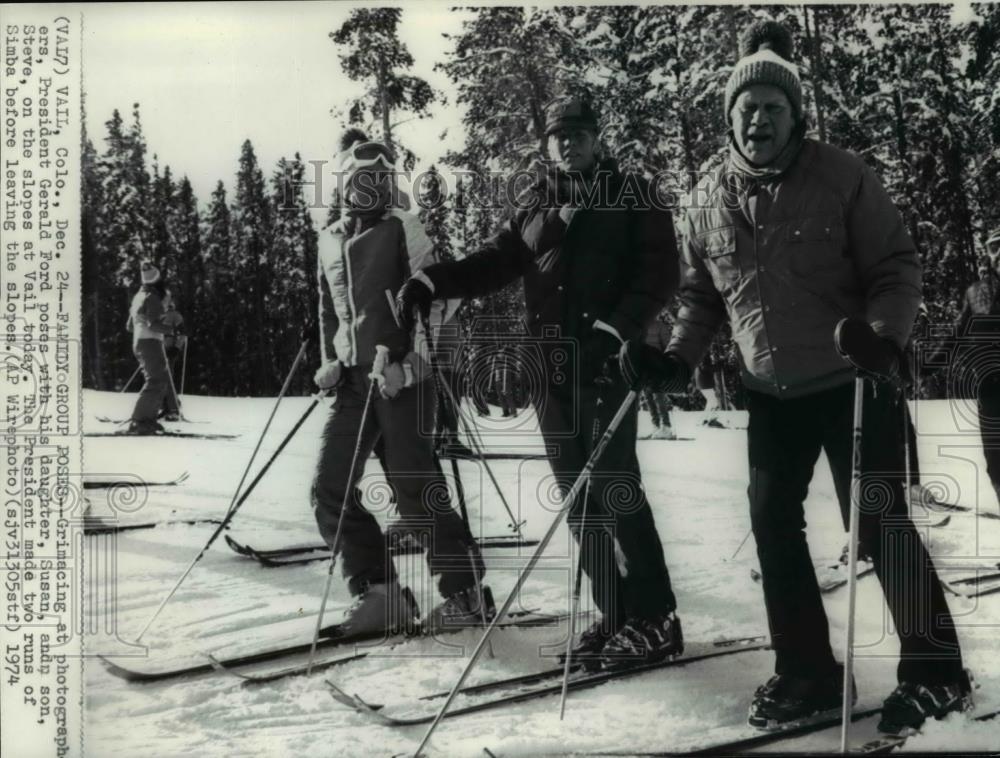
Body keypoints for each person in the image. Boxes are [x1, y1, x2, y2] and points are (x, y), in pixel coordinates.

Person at [617, 20, 968, 734]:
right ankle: (806, 669)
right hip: (770, 393)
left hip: (855, 381)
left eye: (773, 107)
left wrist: (884, 339)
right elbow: (703, 299)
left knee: (880, 526)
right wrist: (675, 359)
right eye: (746, 109)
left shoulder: (842, 176)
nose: (758, 118)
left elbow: (895, 268)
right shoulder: (706, 195)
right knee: (773, 528)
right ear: (730, 119)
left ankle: (937, 673)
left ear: (795, 114)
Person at [397, 96, 683, 669]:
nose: (568, 143)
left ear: (597, 138)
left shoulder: (633, 196)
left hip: (607, 364)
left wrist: (616, 329)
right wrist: (432, 280)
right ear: (546, 144)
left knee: (617, 491)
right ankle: (617, 614)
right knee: (579, 502)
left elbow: (660, 273)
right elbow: (491, 262)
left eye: (578, 133)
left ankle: (656, 620)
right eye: (558, 135)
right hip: (551, 375)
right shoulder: (534, 206)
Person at [311, 131, 487, 638]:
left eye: (381, 178)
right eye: (361, 179)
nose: (371, 187)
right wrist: (331, 360)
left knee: (415, 489)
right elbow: (331, 310)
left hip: (402, 380)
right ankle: (380, 594)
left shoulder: (403, 228)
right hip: (353, 384)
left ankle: (465, 593)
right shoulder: (330, 239)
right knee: (329, 486)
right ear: (344, 186)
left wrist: (410, 366)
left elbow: (437, 301)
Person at [928, 233, 1000, 511]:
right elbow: (957, 335)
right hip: (989, 388)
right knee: (995, 464)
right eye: (995, 248)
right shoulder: (977, 293)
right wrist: (924, 367)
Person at [126, 262, 173, 435]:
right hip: (150, 341)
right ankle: (139, 421)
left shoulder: (139, 296)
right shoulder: (152, 297)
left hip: (139, 341)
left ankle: (148, 419)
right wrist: (172, 330)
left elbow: (129, 326)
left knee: (157, 380)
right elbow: (154, 325)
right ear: (158, 279)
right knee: (156, 381)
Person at [640, 317, 676, 440]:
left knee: (656, 395)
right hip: (647, 364)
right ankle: (656, 427)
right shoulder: (653, 325)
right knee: (649, 396)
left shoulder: (658, 325)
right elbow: (668, 346)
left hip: (654, 364)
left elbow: (667, 346)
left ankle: (665, 426)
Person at [159, 291, 185, 422]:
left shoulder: (175, 315)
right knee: (158, 378)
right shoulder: (159, 313)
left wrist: (176, 348)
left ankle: (173, 408)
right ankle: (164, 406)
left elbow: (183, 333)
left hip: (169, 350)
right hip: (158, 349)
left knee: (167, 378)